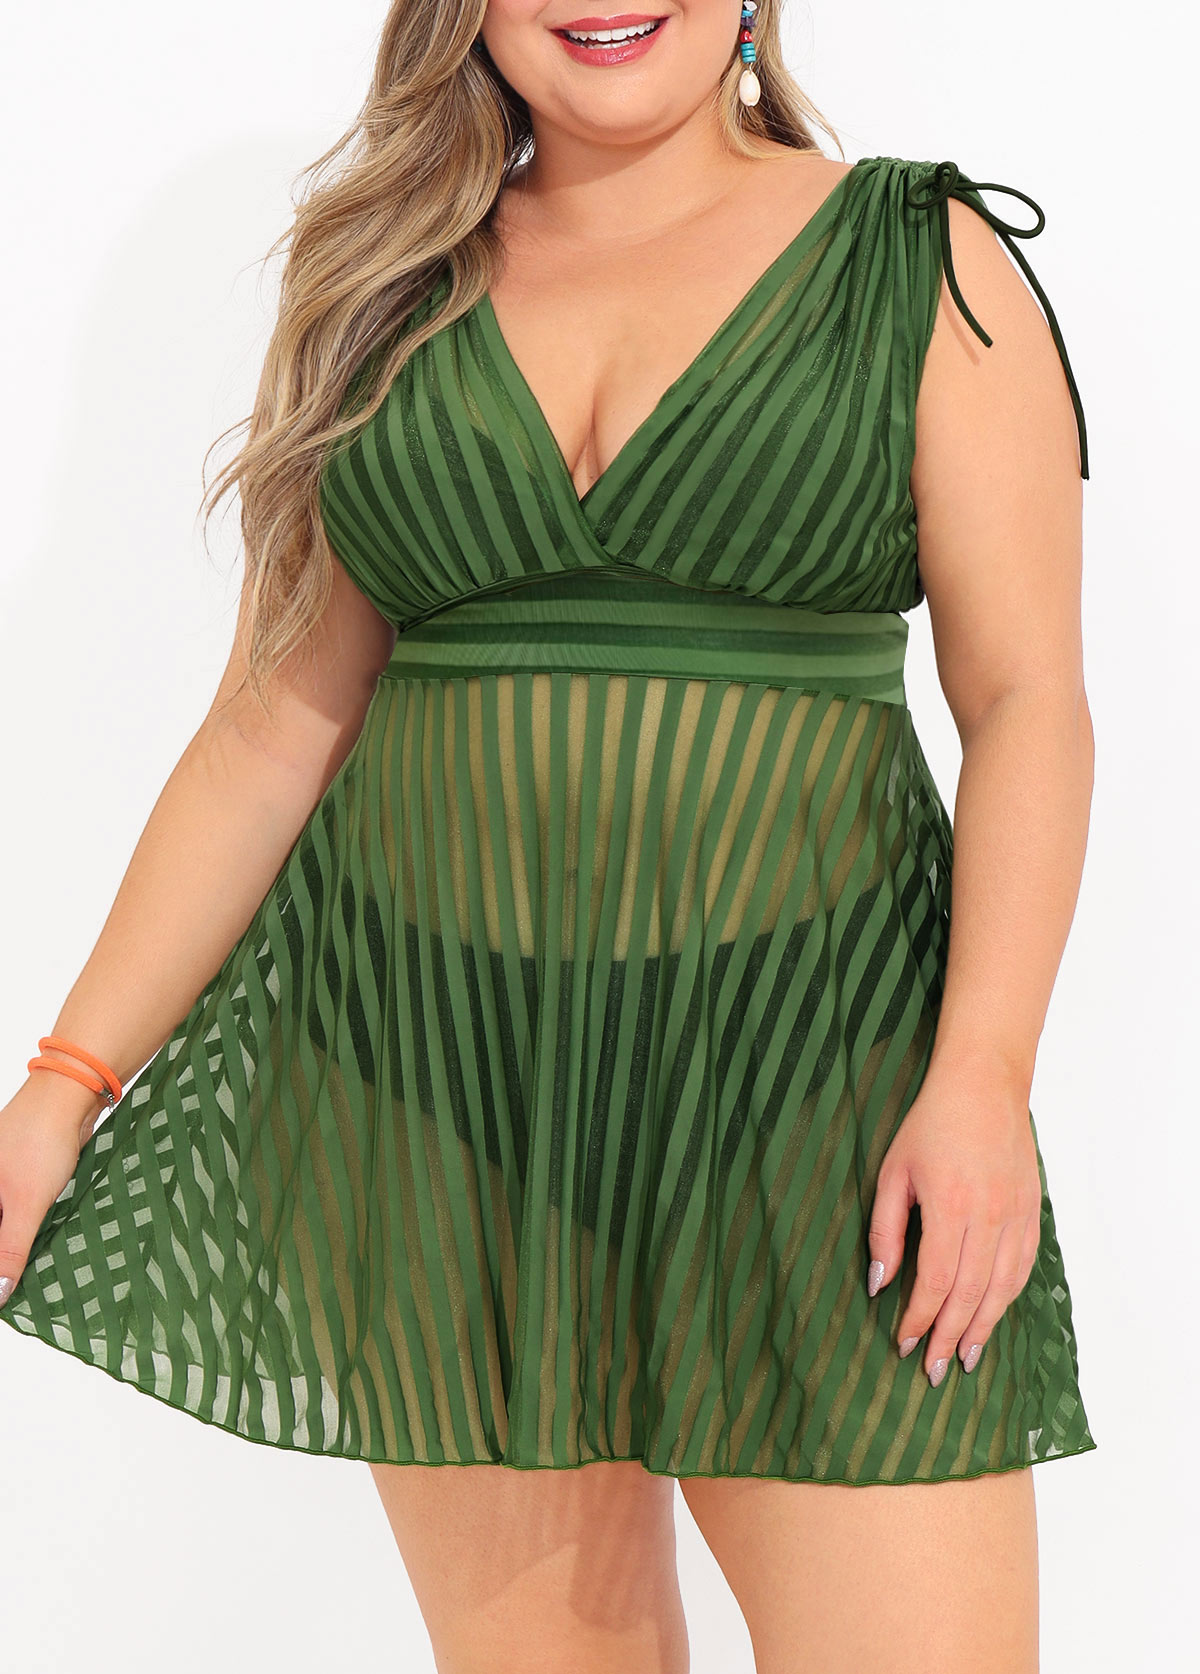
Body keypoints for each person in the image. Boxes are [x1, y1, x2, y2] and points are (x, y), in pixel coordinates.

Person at [0, 2, 1098, 1669]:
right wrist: (64, 1082)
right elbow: (270, 731)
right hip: (443, 1091)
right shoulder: (387, 285)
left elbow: (1025, 701)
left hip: (816, 1098)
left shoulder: (915, 260)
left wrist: (984, 1079)